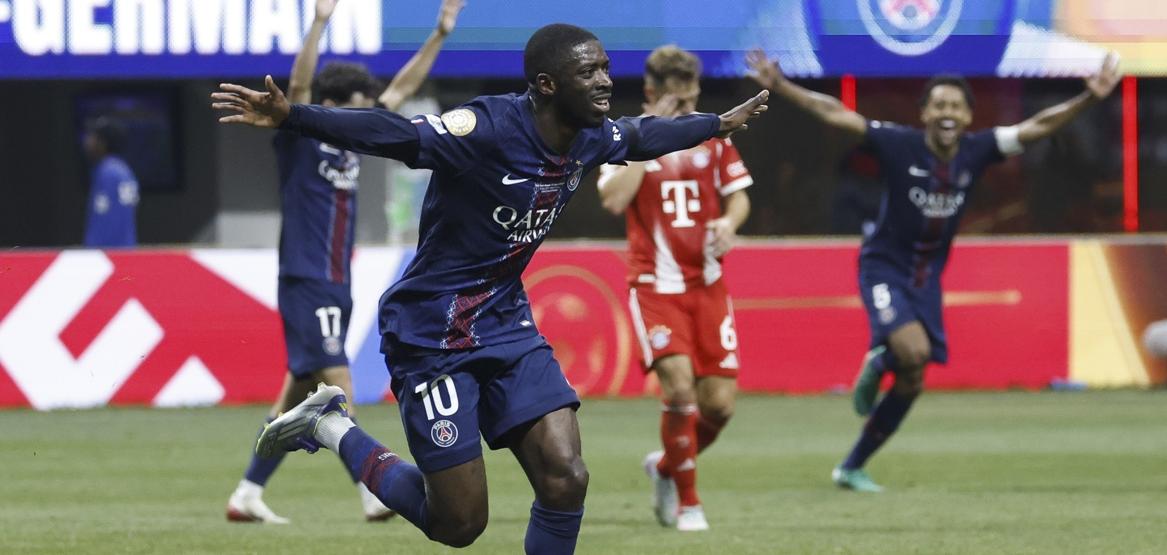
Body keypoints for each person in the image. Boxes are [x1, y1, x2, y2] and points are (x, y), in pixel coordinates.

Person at [213, 23, 768, 553]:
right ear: (547, 85)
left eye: (605, 68)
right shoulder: (486, 128)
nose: (604, 81)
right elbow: (397, 135)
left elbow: (643, 135)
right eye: (589, 72)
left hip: (506, 321)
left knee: (566, 476)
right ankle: (331, 426)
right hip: (432, 329)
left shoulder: (591, 137)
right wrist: (294, 117)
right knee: (458, 523)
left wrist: (714, 124)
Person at [746, 49, 1120, 492]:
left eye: (956, 106)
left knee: (914, 377)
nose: (947, 113)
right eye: (939, 105)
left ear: (967, 116)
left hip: (925, 279)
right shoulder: (898, 143)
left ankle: (851, 465)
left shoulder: (979, 150)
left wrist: (1088, 100)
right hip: (882, 266)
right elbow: (838, 115)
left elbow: (1036, 127)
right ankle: (881, 357)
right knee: (912, 351)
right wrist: (783, 85)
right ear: (924, 113)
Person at [225, 0, 465, 524]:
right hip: (307, 277)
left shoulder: (350, 144)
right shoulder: (299, 137)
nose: (367, 112)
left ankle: (246, 492)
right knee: (339, 382)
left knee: (295, 397)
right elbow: (300, 90)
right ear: (334, 104)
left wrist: (440, 33)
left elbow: (398, 91)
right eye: (355, 104)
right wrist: (319, 22)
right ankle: (373, 490)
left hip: (337, 279)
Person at [596, 45, 751, 532]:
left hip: (707, 285)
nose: (689, 113)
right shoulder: (623, 138)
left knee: (719, 407)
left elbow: (739, 198)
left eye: (693, 102)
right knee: (680, 388)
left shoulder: (716, 139)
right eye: (677, 106)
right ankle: (688, 502)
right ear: (651, 95)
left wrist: (729, 222)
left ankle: (664, 466)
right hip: (655, 287)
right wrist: (647, 141)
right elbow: (613, 199)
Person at [82, 117, 139, 248]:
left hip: (109, 252)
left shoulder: (108, 172)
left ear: (103, 143)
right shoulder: (123, 169)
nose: (87, 142)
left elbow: (105, 222)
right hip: (125, 250)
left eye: (92, 137)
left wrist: (91, 252)